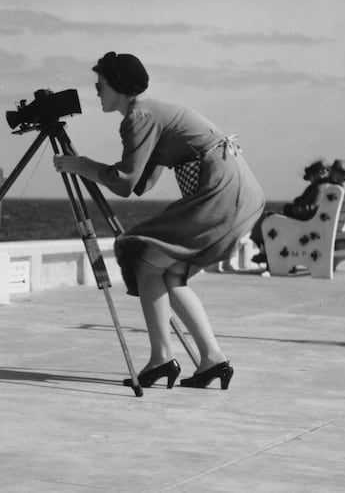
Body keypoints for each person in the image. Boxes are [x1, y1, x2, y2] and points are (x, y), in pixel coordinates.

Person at [53, 52, 265, 391]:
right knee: (167, 272)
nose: (96, 90)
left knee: (147, 260)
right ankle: (213, 360)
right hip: (237, 188)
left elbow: (123, 183)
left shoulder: (139, 116)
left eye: (101, 84)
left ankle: (162, 359)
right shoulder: (150, 113)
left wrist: (81, 165)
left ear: (120, 88)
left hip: (222, 190)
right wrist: (103, 168)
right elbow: (142, 183)